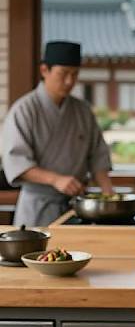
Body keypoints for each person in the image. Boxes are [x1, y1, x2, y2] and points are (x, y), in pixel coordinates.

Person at [2, 41, 113, 226]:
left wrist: (109, 193)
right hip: (37, 207)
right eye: (63, 74)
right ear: (45, 70)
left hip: (75, 208)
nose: (70, 81)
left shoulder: (82, 111)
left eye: (74, 74)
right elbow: (17, 162)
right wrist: (56, 180)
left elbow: (97, 156)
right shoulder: (24, 110)